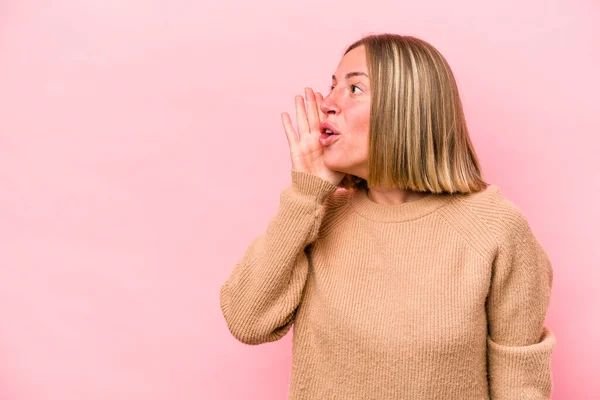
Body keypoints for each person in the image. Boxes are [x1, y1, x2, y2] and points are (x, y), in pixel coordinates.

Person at [219, 33, 555, 399]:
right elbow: (247, 320)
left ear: (406, 108)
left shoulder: (495, 228)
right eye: (331, 87)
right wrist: (306, 193)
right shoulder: (317, 216)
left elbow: (521, 387)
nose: (327, 104)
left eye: (354, 89)